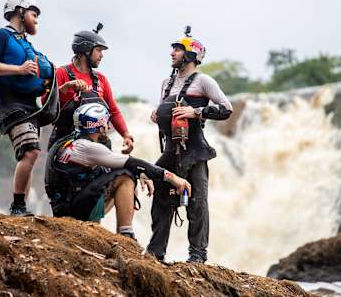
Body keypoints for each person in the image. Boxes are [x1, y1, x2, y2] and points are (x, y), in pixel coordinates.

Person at [147, 26, 233, 263]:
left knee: (197, 204)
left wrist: (196, 111)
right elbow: (164, 110)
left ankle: (197, 256)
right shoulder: (166, 83)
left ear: (191, 55)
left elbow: (227, 109)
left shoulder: (204, 81)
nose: (172, 53)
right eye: (173, 49)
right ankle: (156, 253)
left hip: (195, 151)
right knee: (161, 200)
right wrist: (156, 115)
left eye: (177, 49)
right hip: (170, 151)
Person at [45, 103, 191, 238]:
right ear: (99, 126)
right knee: (126, 177)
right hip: (73, 210)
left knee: (128, 172)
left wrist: (141, 173)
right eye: (106, 122)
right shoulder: (89, 148)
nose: (109, 126)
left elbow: (115, 165)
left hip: (64, 205)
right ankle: (126, 235)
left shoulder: (70, 142)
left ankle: (93, 229)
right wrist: (173, 178)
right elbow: (132, 163)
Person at [0, 0, 54, 216]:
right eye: (33, 14)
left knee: (29, 154)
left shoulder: (27, 44)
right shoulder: (0, 36)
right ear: (19, 12)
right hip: (11, 103)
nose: (36, 20)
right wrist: (18, 70)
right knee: (30, 151)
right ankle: (17, 206)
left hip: (32, 106)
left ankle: (22, 210)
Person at [48, 23, 133, 154]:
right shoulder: (61, 73)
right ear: (86, 50)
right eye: (99, 50)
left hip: (97, 145)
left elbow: (113, 110)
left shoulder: (101, 79)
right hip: (67, 144)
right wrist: (64, 88)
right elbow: (45, 104)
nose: (102, 55)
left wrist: (126, 135)